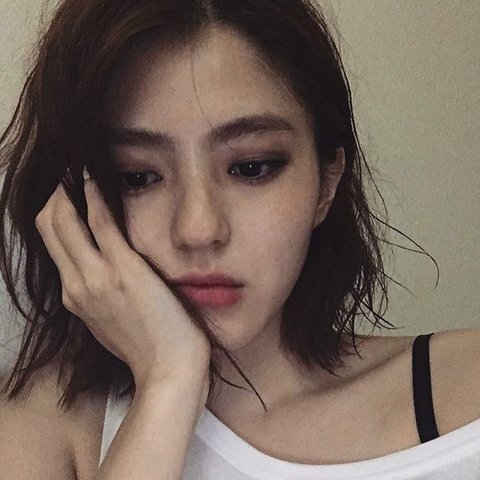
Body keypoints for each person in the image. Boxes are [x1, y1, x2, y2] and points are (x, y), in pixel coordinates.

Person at [0, 0, 479, 479]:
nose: (198, 230)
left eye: (251, 168)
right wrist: (169, 383)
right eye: (136, 177)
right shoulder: (38, 429)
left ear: (326, 182)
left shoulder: (466, 394)